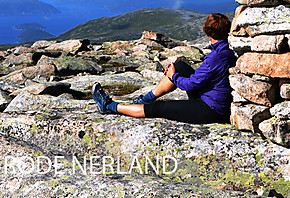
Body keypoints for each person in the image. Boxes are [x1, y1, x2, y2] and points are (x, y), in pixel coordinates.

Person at [91, 13, 236, 124]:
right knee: (179, 66)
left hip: (211, 109)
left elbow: (192, 84)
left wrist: (174, 77)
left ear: (208, 32)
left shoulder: (215, 57)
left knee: (159, 108)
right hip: (214, 99)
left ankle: (110, 106)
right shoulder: (227, 51)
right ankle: (145, 99)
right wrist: (176, 72)